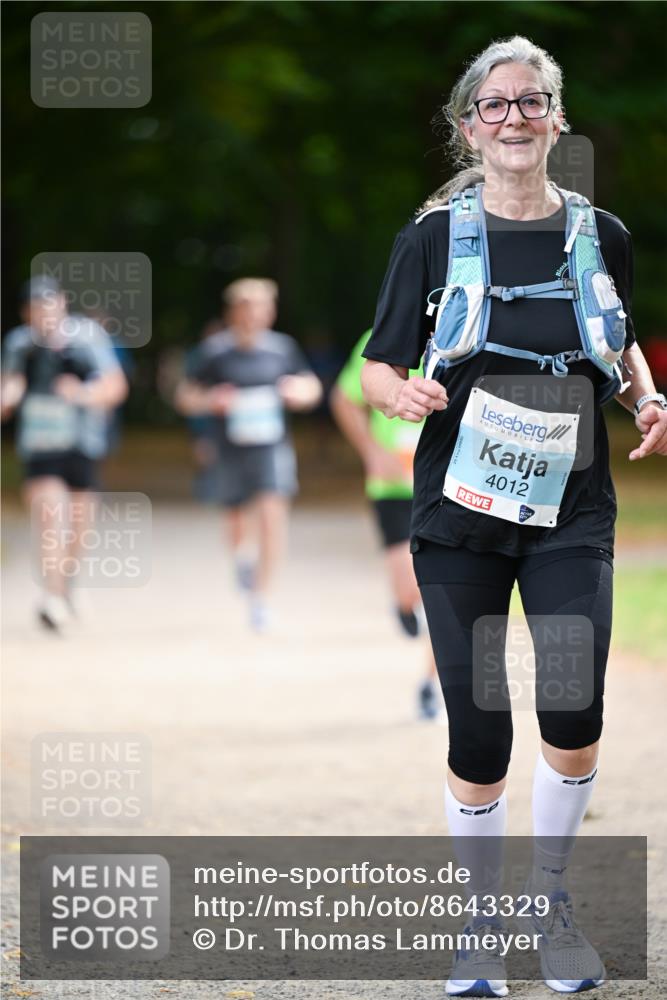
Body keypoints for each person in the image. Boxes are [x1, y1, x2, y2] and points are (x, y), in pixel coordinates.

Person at [361, 36, 667, 998]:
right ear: (467, 128)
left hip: (572, 504)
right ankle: (479, 924)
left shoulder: (599, 233)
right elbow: (378, 360)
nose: (513, 118)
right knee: (479, 726)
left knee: (574, 712)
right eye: (493, 106)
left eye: (530, 102)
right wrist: (394, 397)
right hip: (459, 510)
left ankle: (550, 902)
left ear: (555, 118)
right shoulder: (431, 239)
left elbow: (615, 342)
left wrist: (647, 397)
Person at [175, 278, 322, 632]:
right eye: (246, 309)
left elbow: (311, 387)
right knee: (237, 522)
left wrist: (298, 392)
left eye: (261, 308)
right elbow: (184, 395)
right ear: (233, 312)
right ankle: (243, 559)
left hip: (272, 447)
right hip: (229, 449)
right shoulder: (215, 352)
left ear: (270, 312)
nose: (253, 316)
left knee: (273, 515)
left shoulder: (282, 349)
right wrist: (211, 401)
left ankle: (261, 599)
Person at [1, 276, 128, 631]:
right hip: (41, 445)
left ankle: (66, 581)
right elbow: (12, 381)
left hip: (83, 444)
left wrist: (82, 395)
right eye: (35, 309)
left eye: (49, 306)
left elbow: (115, 387)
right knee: (49, 516)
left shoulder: (88, 338)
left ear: (62, 304)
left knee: (78, 526)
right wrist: (8, 397)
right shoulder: (20, 343)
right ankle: (52, 597)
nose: (43, 315)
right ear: (26, 313)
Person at [331, 329, 441, 720]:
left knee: (443, 593)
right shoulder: (380, 336)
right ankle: (402, 604)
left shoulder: (472, 326)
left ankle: (431, 685)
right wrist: (372, 452)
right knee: (410, 589)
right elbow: (344, 398)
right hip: (393, 486)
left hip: (446, 484)